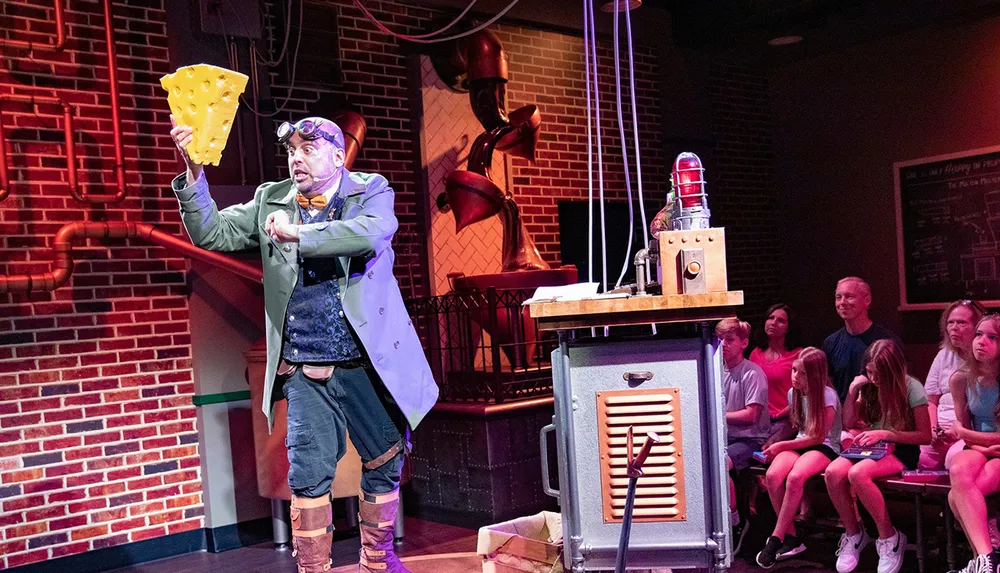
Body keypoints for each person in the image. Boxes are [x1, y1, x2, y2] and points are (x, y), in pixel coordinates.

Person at [168, 115, 439, 573]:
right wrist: (195, 172)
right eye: (292, 150)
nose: (297, 158)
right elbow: (210, 232)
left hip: (367, 365)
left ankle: (378, 560)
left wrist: (301, 233)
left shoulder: (369, 190)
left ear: (338, 157)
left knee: (386, 458)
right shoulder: (271, 200)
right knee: (308, 476)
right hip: (305, 368)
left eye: (308, 149)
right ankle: (314, 569)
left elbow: (370, 232)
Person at [824, 339, 931, 573]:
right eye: (870, 372)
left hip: (901, 448)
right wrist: (853, 391)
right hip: (872, 446)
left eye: (878, 374)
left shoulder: (911, 387)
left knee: (858, 474)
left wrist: (887, 433)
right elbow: (850, 423)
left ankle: (889, 537)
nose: (873, 379)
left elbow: (925, 435)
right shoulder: (869, 386)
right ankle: (853, 533)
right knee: (832, 472)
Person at [755, 347, 841, 569]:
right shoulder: (793, 394)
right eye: (794, 370)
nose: (795, 376)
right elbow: (799, 430)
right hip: (802, 443)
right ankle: (792, 537)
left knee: (795, 477)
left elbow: (818, 436)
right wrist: (775, 444)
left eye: (802, 373)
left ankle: (775, 538)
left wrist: (783, 444)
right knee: (773, 475)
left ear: (814, 375)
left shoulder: (827, 395)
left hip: (824, 447)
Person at [945, 314, 1000, 573]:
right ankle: (988, 558)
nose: (982, 342)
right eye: (979, 334)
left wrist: (972, 438)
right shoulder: (961, 379)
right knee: (958, 470)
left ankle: (983, 560)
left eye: (992, 337)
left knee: (957, 494)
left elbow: (963, 431)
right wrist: (981, 447)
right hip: (981, 449)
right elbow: (961, 429)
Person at [716, 318, 770, 555]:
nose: (724, 345)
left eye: (729, 340)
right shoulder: (716, 371)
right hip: (724, 437)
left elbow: (751, 415)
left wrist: (718, 415)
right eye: (720, 340)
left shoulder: (752, 373)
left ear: (744, 342)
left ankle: (736, 522)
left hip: (750, 440)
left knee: (721, 463)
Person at [920, 300, 983, 469]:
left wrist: (959, 433)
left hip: (967, 431)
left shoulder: (986, 359)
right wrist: (933, 431)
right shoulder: (943, 355)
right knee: (921, 459)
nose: (954, 327)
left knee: (953, 460)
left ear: (978, 326)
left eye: (961, 322)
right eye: (950, 322)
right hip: (940, 430)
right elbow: (931, 400)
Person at [822, 277, 901, 402]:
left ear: (867, 300)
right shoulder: (830, 343)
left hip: (879, 416)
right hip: (842, 416)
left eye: (849, 297)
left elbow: (899, 384)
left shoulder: (887, 341)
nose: (842, 302)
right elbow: (829, 385)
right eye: (838, 297)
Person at [750, 304, 802, 440]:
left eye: (780, 320)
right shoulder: (755, 354)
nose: (774, 322)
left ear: (788, 328)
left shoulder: (799, 355)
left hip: (787, 420)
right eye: (770, 318)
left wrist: (782, 414)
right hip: (759, 421)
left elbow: (805, 394)